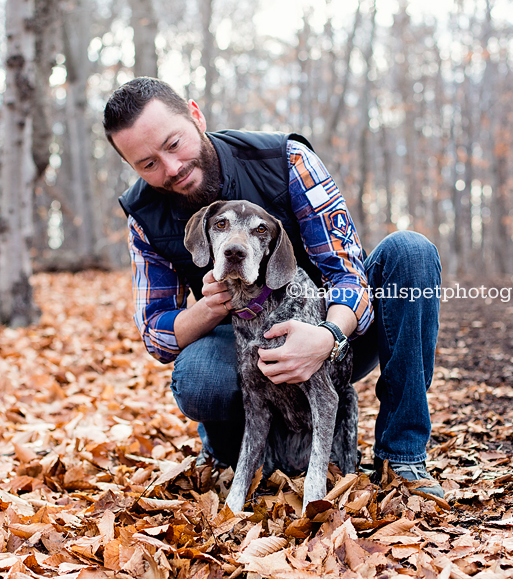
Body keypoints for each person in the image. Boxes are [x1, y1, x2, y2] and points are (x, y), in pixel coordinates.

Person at [104, 77, 444, 498]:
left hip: (334, 325)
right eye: (148, 164)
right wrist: (208, 309)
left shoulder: (284, 159)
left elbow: (346, 273)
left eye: (173, 144)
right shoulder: (143, 213)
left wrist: (327, 336)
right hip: (244, 338)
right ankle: (234, 458)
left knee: (410, 253)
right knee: (198, 379)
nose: (171, 169)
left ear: (195, 115)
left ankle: (403, 456)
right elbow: (156, 334)